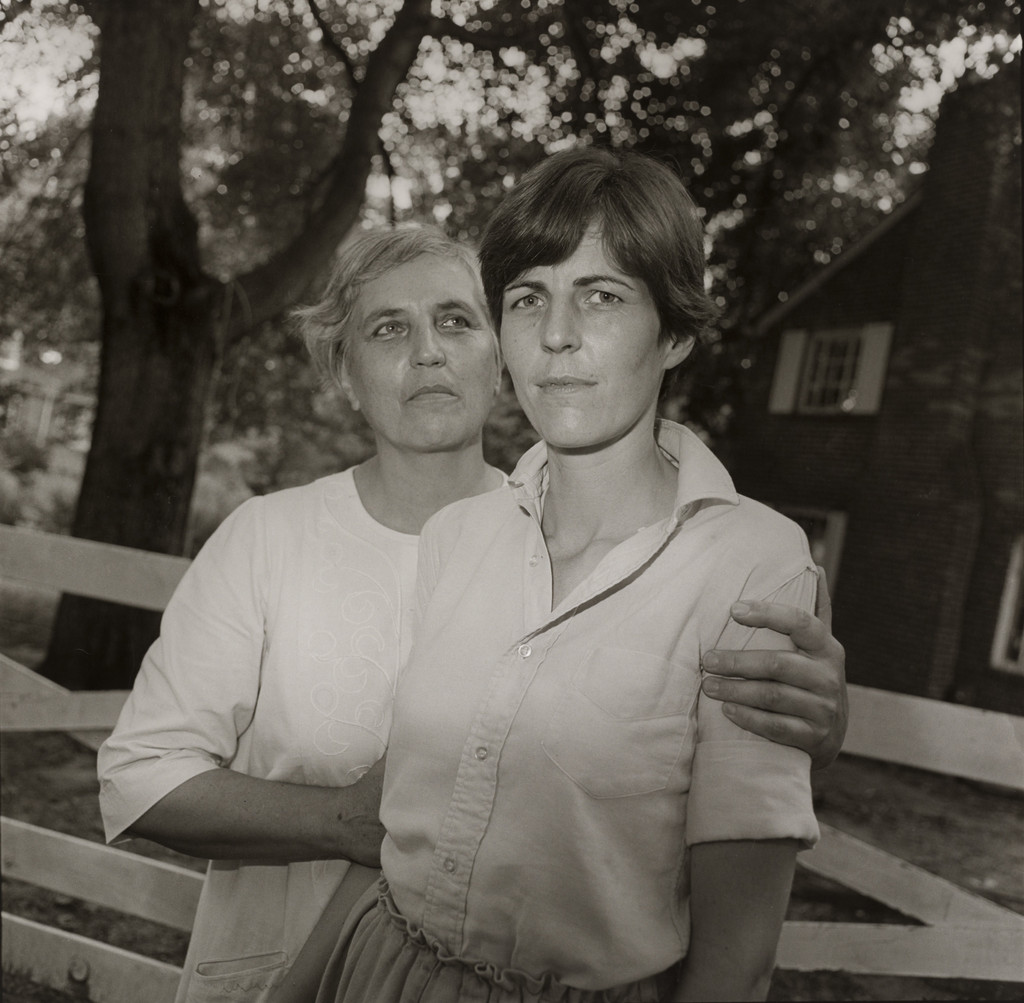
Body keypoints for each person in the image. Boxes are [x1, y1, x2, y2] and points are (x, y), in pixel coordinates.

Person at [98, 224, 844, 1003]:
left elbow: (677, 766)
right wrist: (347, 819)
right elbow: (138, 777)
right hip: (269, 965)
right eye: (388, 329)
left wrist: (814, 729)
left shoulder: (594, 550)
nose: (428, 352)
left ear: (501, 356)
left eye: (456, 321)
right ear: (345, 373)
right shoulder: (267, 535)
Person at [304, 147, 826, 1003]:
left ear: (675, 332)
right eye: (527, 298)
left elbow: (737, 962)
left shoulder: (754, 567)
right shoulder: (456, 536)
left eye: (603, 295)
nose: (556, 334)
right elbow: (395, 836)